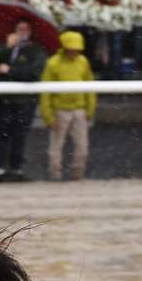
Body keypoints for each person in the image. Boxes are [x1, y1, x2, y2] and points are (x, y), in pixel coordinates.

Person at [0, 19, 46, 182]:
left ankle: (16, 169)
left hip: (24, 102)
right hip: (3, 100)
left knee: (19, 136)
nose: (21, 32)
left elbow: (34, 73)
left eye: (25, 29)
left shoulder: (36, 50)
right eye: (19, 29)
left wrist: (11, 70)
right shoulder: (5, 46)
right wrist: (8, 47)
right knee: (1, 135)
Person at [40, 31, 95, 181]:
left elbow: (90, 86)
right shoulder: (53, 63)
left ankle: (78, 175)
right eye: (72, 48)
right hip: (60, 110)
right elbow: (45, 92)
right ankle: (55, 176)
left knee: (82, 147)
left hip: (79, 110)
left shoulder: (83, 62)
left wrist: (90, 108)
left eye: (77, 48)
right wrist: (48, 115)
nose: (74, 51)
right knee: (56, 147)